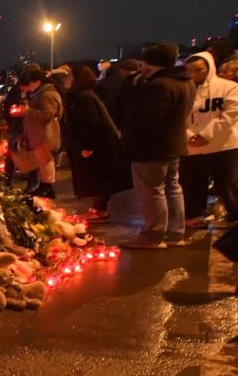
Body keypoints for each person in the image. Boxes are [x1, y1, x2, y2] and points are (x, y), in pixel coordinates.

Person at [120, 43, 195, 248]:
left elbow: (146, 121)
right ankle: (175, 233)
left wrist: (130, 138)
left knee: (152, 191)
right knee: (172, 188)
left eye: (143, 63)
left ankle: (153, 235)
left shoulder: (159, 85)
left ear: (149, 64)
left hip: (152, 148)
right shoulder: (185, 82)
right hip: (173, 145)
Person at [61, 61, 131, 220]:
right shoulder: (82, 94)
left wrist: (87, 146)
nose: (66, 79)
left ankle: (100, 210)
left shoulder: (83, 97)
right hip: (93, 144)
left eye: (69, 76)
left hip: (95, 146)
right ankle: (98, 208)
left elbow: (91, 122)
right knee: (94, 177)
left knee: (96, 177)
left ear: (77, 78)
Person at [183, 50, 238, 226]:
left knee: (227, 182)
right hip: (192, 145)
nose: (194, 74)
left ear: (209, 68)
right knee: (192, 182)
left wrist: (207, 134)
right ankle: (195, 214)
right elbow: (176, 115)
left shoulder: (228, 87)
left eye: (199, 69)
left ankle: (234, 213)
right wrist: (190, 135)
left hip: (223, 143)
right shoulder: (184, 88)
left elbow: (231, 113)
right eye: (190, 70)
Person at [19, 64, 63, 196]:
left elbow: (48, 114)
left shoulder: (47, 94)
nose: (29, 86)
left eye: (30, 83)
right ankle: (45, 186)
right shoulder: (39, 92)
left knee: (45, 161)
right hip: (39, 133)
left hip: (45, 133)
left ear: (37, 81)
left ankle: (47, 186)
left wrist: (28, 111)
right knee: (42, 160)